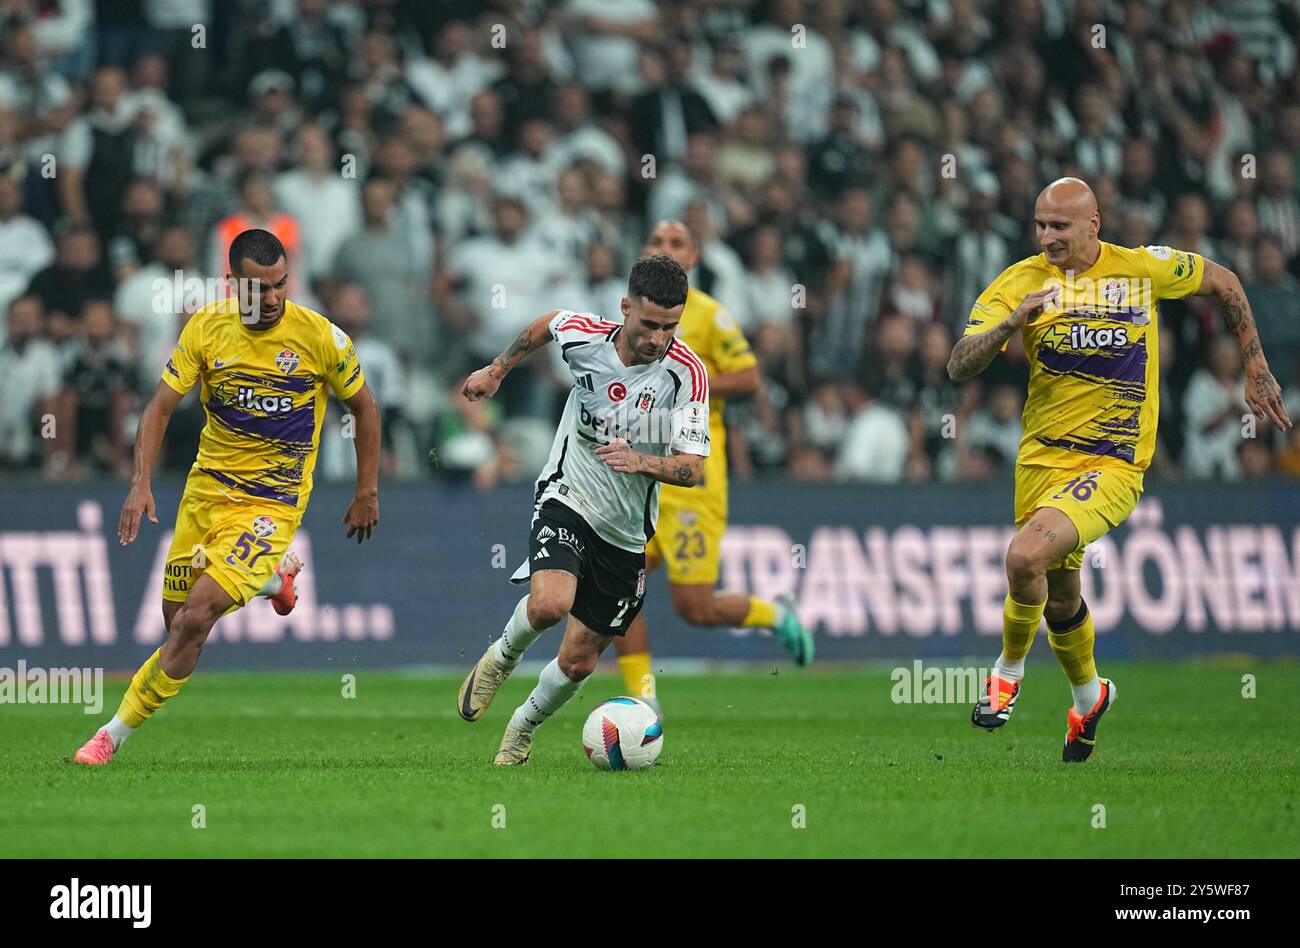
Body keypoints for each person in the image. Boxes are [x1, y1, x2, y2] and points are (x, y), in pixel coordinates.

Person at [947, 177, 1292, 762]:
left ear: (1093, 224)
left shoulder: (1142, 269)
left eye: (1059, 226)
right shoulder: (1020, 281)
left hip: (1112, 464)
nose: (1046, 236)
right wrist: (1009, 326)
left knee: (1022, 556)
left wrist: (1254, 364)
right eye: (1039, 225)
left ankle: (1005, 675)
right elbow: (959, 365)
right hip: (1040, 460)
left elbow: (1225, 282)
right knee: (1059, 598)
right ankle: (1089, 695)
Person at [72, 229, 382, 765]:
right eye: (258, 289)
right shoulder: (206, 329)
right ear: (230, 284)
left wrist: (366, 490)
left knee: (195, 619)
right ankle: (271, 579)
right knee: (176, 624)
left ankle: (109, 737)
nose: (271, 298)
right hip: (206, 491)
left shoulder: (321, 339)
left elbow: (366, 409)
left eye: (280, 285)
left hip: (272, 502)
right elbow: (160, 408)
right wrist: (140, 482)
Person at [455, 254, 709, 765]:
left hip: (626, 533)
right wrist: (497, 370)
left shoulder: (688, 374)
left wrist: (641, 461)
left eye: (670, 326)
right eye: (649, 323)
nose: (659, 338)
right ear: (624, 308)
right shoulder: (586, 336)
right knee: (549, 604)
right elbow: (545, 325)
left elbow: (692, 468)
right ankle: (501, 658)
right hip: (568, 495)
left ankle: (521, 727)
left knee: (578, 660)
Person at [614, 220, 813, 707]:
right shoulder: (629, 315)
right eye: (657, 241)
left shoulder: (709, 316)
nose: (666, 249)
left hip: (691, 477)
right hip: (638, 471)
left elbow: (748, 378)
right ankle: (644, 701)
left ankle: (773, 614)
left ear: (696, 258)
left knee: (695, 607)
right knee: (619, 585)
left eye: (677, 243)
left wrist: (686, 383)